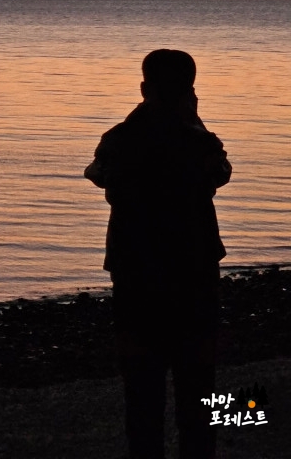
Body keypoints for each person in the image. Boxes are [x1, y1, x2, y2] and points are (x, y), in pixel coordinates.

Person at [84, 49, 231, 459]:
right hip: (194, 271)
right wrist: (192, 120)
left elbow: (96, 173)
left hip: (136, 272)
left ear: (145, 88)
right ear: (190, 91)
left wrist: (140, 115)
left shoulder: (120, 140)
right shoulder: (200, 143)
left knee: (142, 389)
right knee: (198, 386)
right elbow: (221, 173)